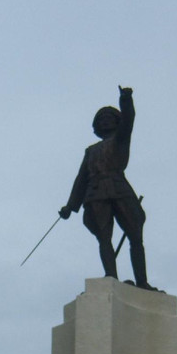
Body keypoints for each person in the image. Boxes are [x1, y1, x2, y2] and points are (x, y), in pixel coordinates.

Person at [59, 85, 155, 290]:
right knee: (104, 237)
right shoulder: (90, 151)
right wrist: (70, 206)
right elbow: (81, 179)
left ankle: (142, 281)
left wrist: (126, 100)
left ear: (116, 121)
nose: (104, 120)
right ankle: (111, 275)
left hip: (119, 188)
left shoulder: (121, 139)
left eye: (109, 117)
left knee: (135, 236)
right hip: (95, 193)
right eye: (100, 118)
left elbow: (129, 120)